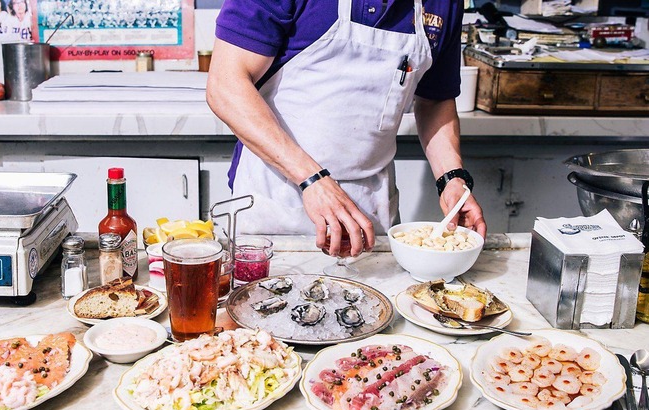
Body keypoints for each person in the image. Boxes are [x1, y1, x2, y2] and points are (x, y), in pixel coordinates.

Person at [206, 0, 486, 257]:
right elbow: (225, 87)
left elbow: (435, 98)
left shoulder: (444, 3)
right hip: (277, 204)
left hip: (371, 213)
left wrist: (452, 179)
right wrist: (311, 180)